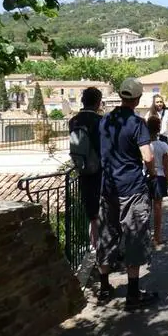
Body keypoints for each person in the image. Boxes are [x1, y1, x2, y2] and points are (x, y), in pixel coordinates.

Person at [97, 77, 158, 309]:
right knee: (133, 237)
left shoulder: (105, 121)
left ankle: (104, 289)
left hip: (108, 187)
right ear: (138, 98)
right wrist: (152, 174)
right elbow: (148, 157)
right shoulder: (137, 123)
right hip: (131, 188)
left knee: (107, 235)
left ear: (121, 96)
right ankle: (133, 295)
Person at [68, 87, 103, 249]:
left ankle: (93, 247)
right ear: (98, 102)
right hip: (100, 173)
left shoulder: (73, 122)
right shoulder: (101, 122)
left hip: (82, 171)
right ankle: (104, 250)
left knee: (91, 216)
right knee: (103, 213)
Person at [146, 115, 168, 245]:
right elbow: (166, 167)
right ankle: (157, 237)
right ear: (159, 128)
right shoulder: (163, 146)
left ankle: (145, 236)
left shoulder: (145, 146)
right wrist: (167, 181)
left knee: (146, 208)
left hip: (147, 177)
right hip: (159, 177)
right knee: (158, 207)